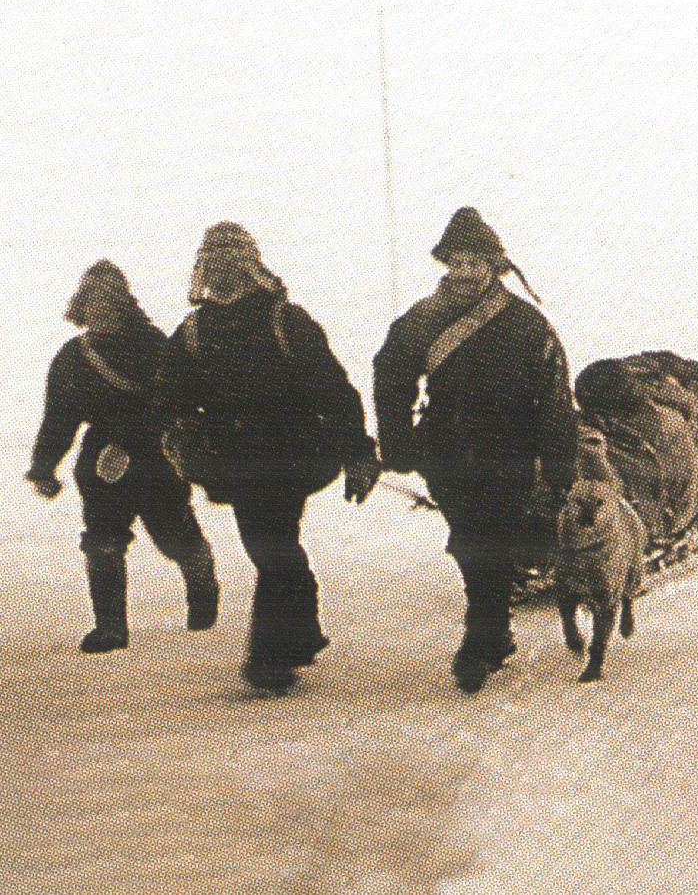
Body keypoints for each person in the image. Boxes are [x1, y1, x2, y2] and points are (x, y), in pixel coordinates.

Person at [156, 223, 379, 692]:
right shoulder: (193, 332)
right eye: (215, 268)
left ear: (253, 269)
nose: (224, 278)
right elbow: (171, 394)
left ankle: (270, 656)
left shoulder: (286, 321)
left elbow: (333, 391)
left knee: (269, 547)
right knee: (272, 548)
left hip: (291, 455)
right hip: (235, 460)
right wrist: (180, 431)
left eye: (234, 267)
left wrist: (359, 450)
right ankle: (301, 631)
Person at [374, 208, 577, 693]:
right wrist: (397, 438)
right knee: (470, 540)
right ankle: (494, 627)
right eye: (456, 261)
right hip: (446, 448)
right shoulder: (423, 318)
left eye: (474, 262)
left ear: (494, 266)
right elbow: (391, 374)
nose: (464, 272)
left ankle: (481, 637)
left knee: (491, 539)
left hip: (510, 450)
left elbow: (554, 396)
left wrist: (559, 464)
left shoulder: (528, 325)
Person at [26, 260, 219, 653]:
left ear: (122, 303)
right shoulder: (73, 356)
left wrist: (129, 443)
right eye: (92, 301)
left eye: (107, 301)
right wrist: (44, 466)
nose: (99, 309)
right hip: (101, 466)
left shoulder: (153, 345)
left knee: (174, 535)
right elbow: (59, 418)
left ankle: (202, 594)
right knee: (102, 541)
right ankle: (111, 627)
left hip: (158, 459)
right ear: (82, 306)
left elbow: (173, 402)